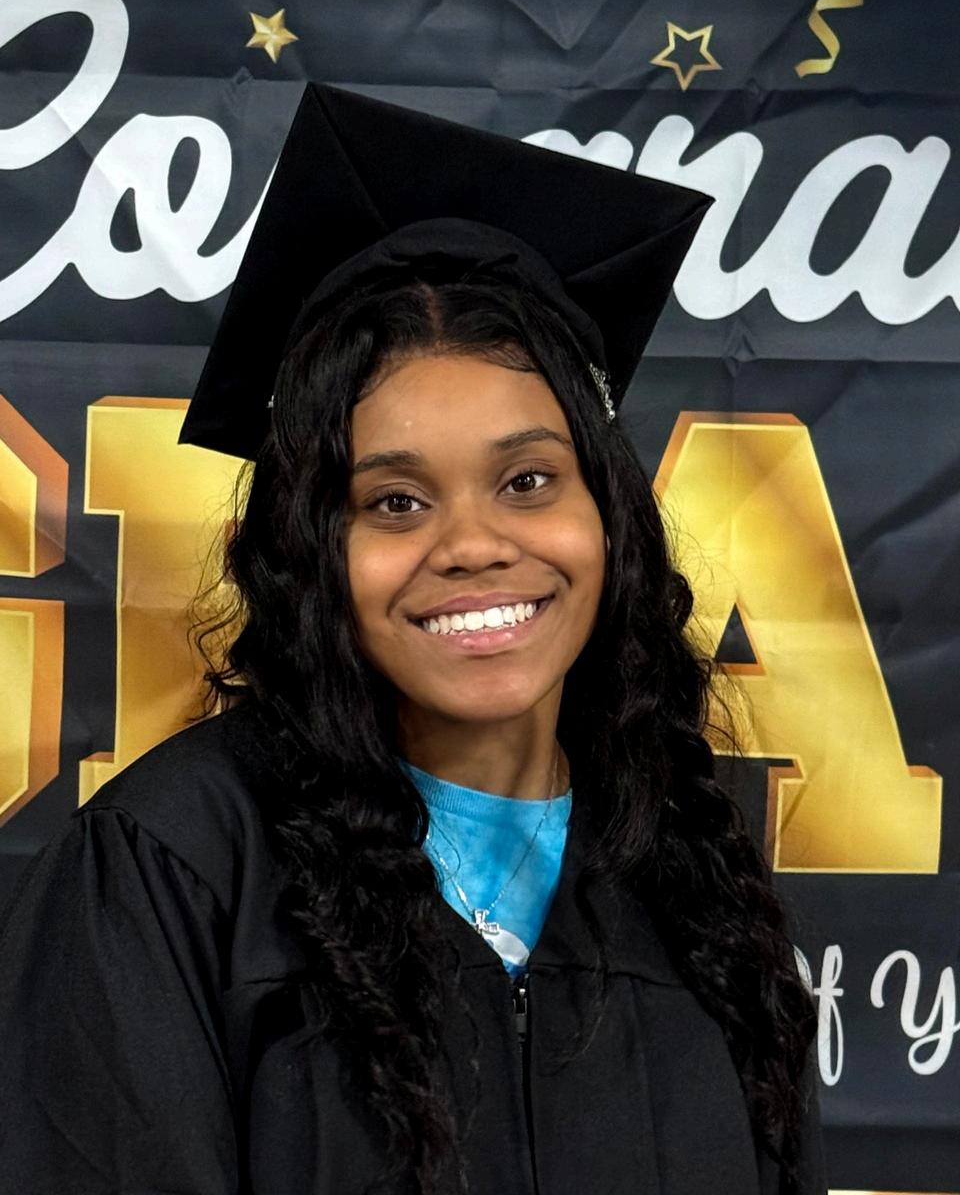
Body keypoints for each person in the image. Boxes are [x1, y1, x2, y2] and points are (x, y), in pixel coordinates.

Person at [0, 84, 825, 1195]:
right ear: (308, 550)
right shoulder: (173, 867)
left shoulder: (689, 874)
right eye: (395, 501)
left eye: (528, 480)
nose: (474, 545)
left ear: (610, 518)